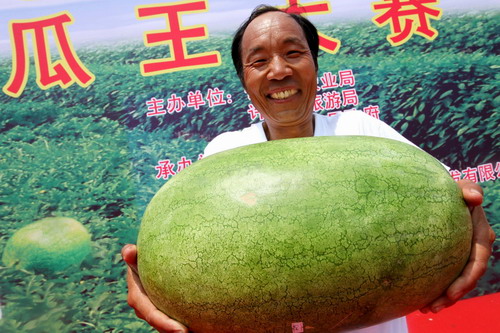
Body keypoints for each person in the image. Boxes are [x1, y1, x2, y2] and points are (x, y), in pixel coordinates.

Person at [122, 5, 495, 333]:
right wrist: (153, 277)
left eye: (293, 53)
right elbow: (183, 242)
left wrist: (470, 210)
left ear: (315, 64)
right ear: (244, 79)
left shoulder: (362, 131)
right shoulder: (224, 151)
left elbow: (449, 192)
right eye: (259, 61)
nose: (278, 70)